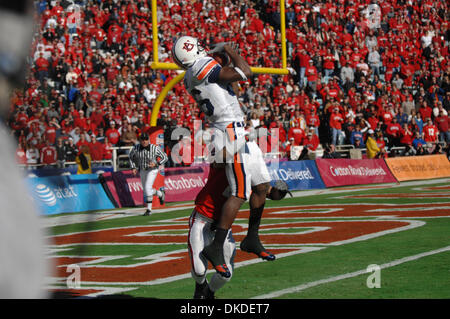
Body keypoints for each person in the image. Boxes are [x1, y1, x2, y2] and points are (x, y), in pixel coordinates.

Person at [172, 36, 275, 278]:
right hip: (228, 134)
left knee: (261, 186)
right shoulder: (201, 66)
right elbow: (244, 72)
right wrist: (228, 49)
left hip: (235, 130)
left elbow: (233, 87)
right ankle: (216, 245)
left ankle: (251, 237)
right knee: (240, 192)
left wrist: (226, 58)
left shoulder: (191, 74)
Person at [188, 162, 292, 299]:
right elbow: (218, 160)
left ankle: (208, 293)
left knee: (226, 274)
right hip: (202, 219)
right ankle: (200, 286)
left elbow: (264, 190)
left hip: (222, 228)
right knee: (199, 270)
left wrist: (276, 191)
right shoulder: (226, 164)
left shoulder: (248, 178)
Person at [129, 132, 167, 216]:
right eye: (142, 140)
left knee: (147, 187)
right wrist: (133, 167)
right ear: (140, 140)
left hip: (152, 169)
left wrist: (156, 163)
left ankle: (149, 209)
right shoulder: (136, 148)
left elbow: (165, 157)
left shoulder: (154, 148)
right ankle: (160, 193)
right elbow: (131, 157)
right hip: (142, 169)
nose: (144, 141)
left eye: (146, 139)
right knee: (146, 190)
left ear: (148, 140)